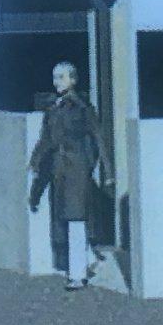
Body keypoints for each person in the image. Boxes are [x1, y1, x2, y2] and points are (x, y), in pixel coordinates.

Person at [28, 60, 113, 290]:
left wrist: (106, 171)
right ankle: (83, 262)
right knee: (63, 221)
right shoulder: (53, 109)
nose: (57, 82)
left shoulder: (82, 107)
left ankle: (77, 274)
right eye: (55, 77)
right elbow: (46, 139)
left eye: (62, 77)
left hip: (77, 169)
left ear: (73, 80)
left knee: (76, 220)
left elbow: (98, 138)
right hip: (58, 170)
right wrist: (35, 161)